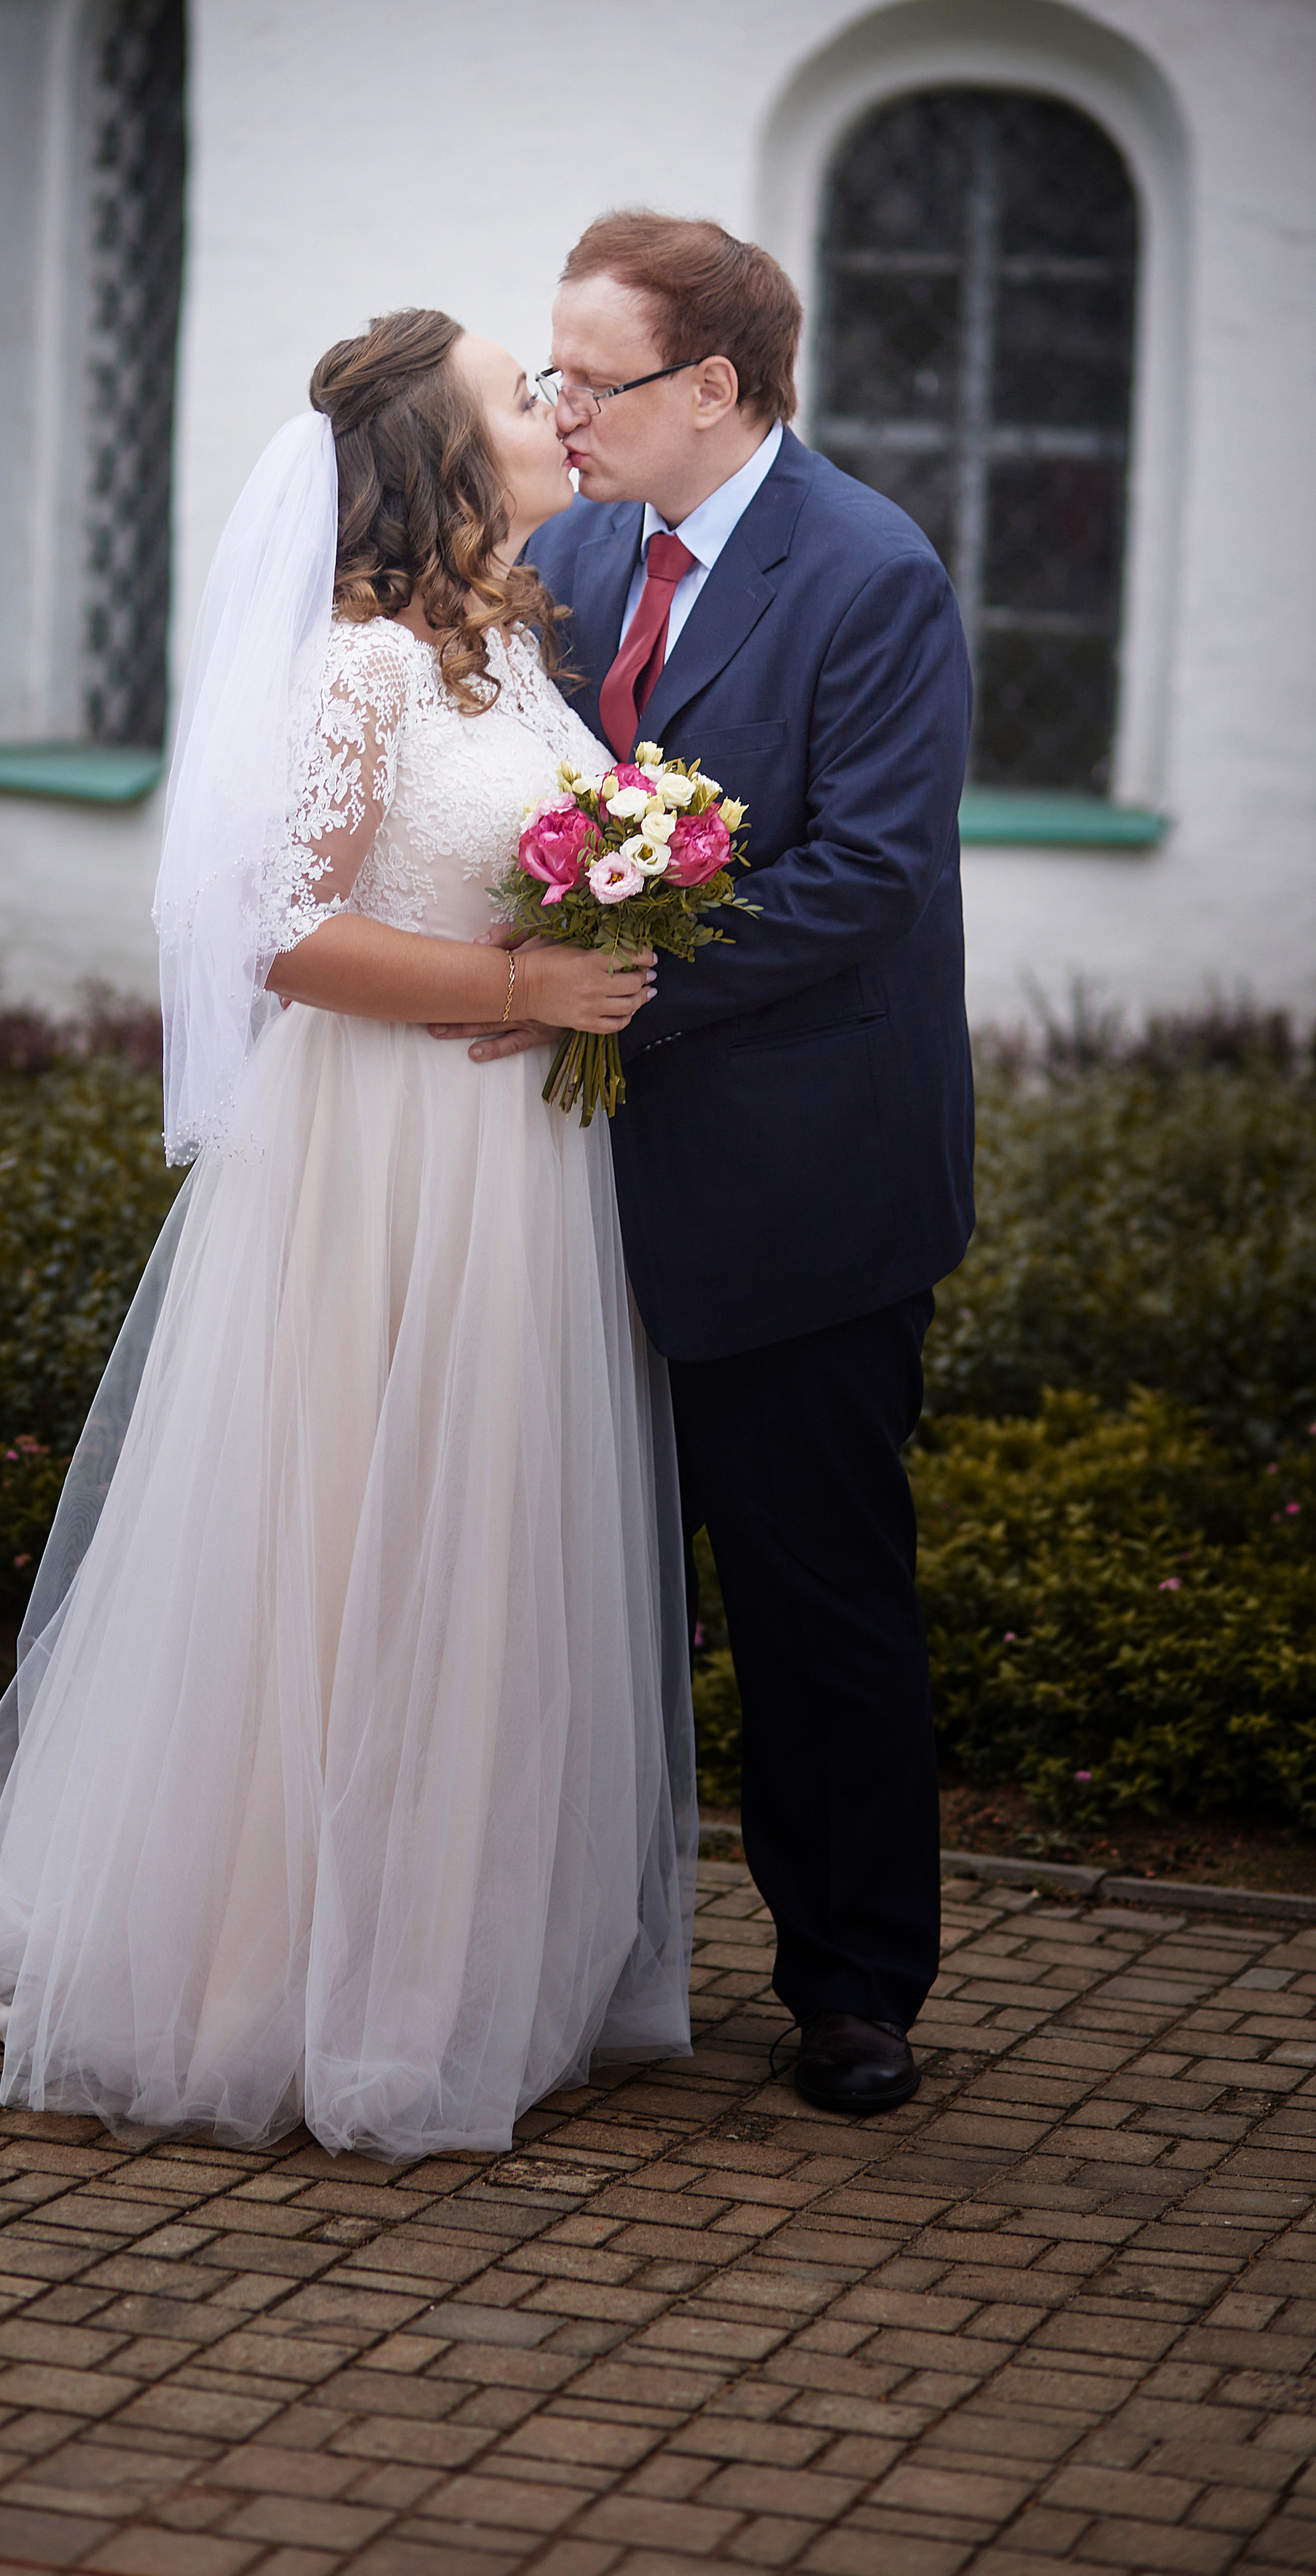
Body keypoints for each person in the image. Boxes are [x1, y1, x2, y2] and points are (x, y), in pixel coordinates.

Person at [0, 310, 699, 2161]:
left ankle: (444, 1963)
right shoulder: (360, 667)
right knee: (349, 1544)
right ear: (448, 455)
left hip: (507, 1161)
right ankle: (267, 1973)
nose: (557, 412)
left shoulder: (504, 655)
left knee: (473, 1544)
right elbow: (279, 934)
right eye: (527, 397)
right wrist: (518, 969)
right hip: (381, 1159)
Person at [456, 213, 975, 2116]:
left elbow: (867, 875)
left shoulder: (875, 574)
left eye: (588, 377)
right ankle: (593, 1953)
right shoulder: (572, 554)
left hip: (806, 1191)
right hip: (570, 1185)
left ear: (716, 390)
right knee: (587, 1589)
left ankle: (856, 1988)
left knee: (811, 1601)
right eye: (550, 370)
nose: (553, 406)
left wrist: (604, 993)